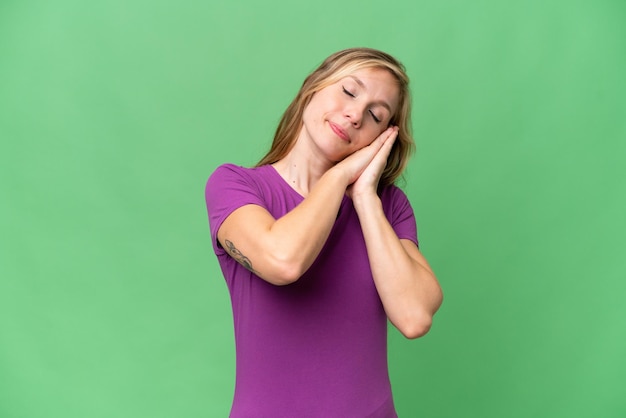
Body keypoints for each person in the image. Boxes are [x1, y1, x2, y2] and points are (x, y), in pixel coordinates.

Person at [205, 47, 443, 418]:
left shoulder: (388, 208)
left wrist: (364, 197)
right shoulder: (237, 186)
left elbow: (414, 317)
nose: (354, 115)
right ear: (313, 86)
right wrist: (338, 177)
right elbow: (283, 261)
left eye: (375, 115)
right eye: (349, 91)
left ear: (382, 137)